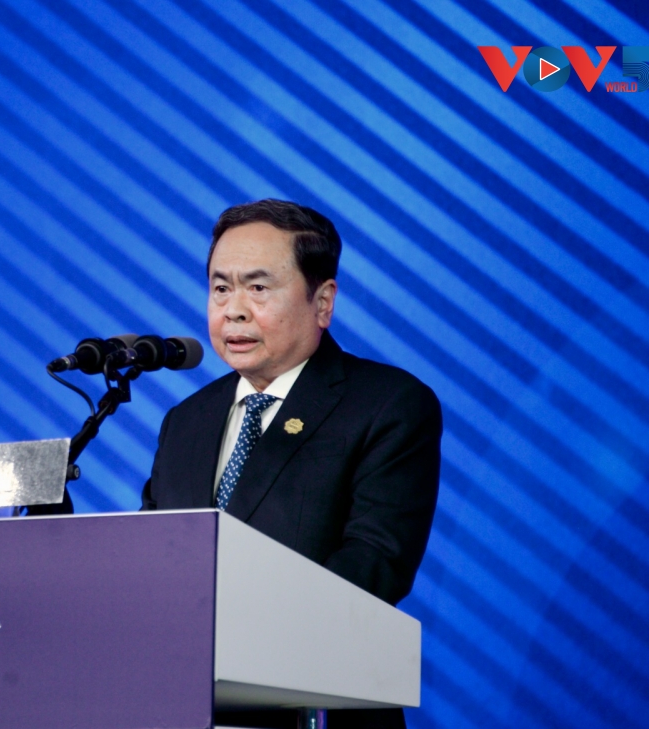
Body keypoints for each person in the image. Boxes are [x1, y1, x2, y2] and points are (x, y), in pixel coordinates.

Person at [141, 199, 442, 729]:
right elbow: (149, 561)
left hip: (317, 709)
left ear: (322, 302)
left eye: (258, 288)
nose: (234, 310)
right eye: (220, 288)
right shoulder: (186, 421)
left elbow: (374, 565)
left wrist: (227, 636)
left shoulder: (387, 404)